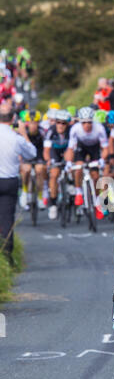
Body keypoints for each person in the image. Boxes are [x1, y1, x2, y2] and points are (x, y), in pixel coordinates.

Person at [0, 107, 36, 263]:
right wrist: (24, 133)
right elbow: (32, 153)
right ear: (13, 119)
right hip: (9, 180)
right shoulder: (16, 137)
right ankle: (7, 256)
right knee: (7, 219)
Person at [65, 106, 109, 219]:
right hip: (81, 147)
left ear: (92, 121)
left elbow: (105, 148)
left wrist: (102, 160)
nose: (87, 125)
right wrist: (69, 162)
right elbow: (70, 148)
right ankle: (78, 192)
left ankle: (97, 203)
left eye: (89, 122)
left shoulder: (99, 128)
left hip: (94, 148)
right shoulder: (75, 129)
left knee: (95, 177)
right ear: (80, 122)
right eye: (84, 122)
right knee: (78, 167)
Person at [43, 109, 72, 220]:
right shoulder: (50, 131)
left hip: (67, 152)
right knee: (54, 174)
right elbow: (46, 150)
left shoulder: (71, 131)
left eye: (63, 123)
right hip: (54, 153)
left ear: (67, 124)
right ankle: (53, 203)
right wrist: (48, 160)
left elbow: (74, 148)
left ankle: (72, 187)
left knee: (74, 168)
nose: (60, 125)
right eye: (58, 122)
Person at [19, 110, 46, 211]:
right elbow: (19, 147)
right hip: (26, 154)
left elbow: (46, 148)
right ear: (27, 123)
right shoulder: (23, 131)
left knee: (39, 171)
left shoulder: (42, 132)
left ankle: (40, 197)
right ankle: (25, 192)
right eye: (31, 123)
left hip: (38, 153)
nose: (33, 125)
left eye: (35, 123)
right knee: (26, 170)